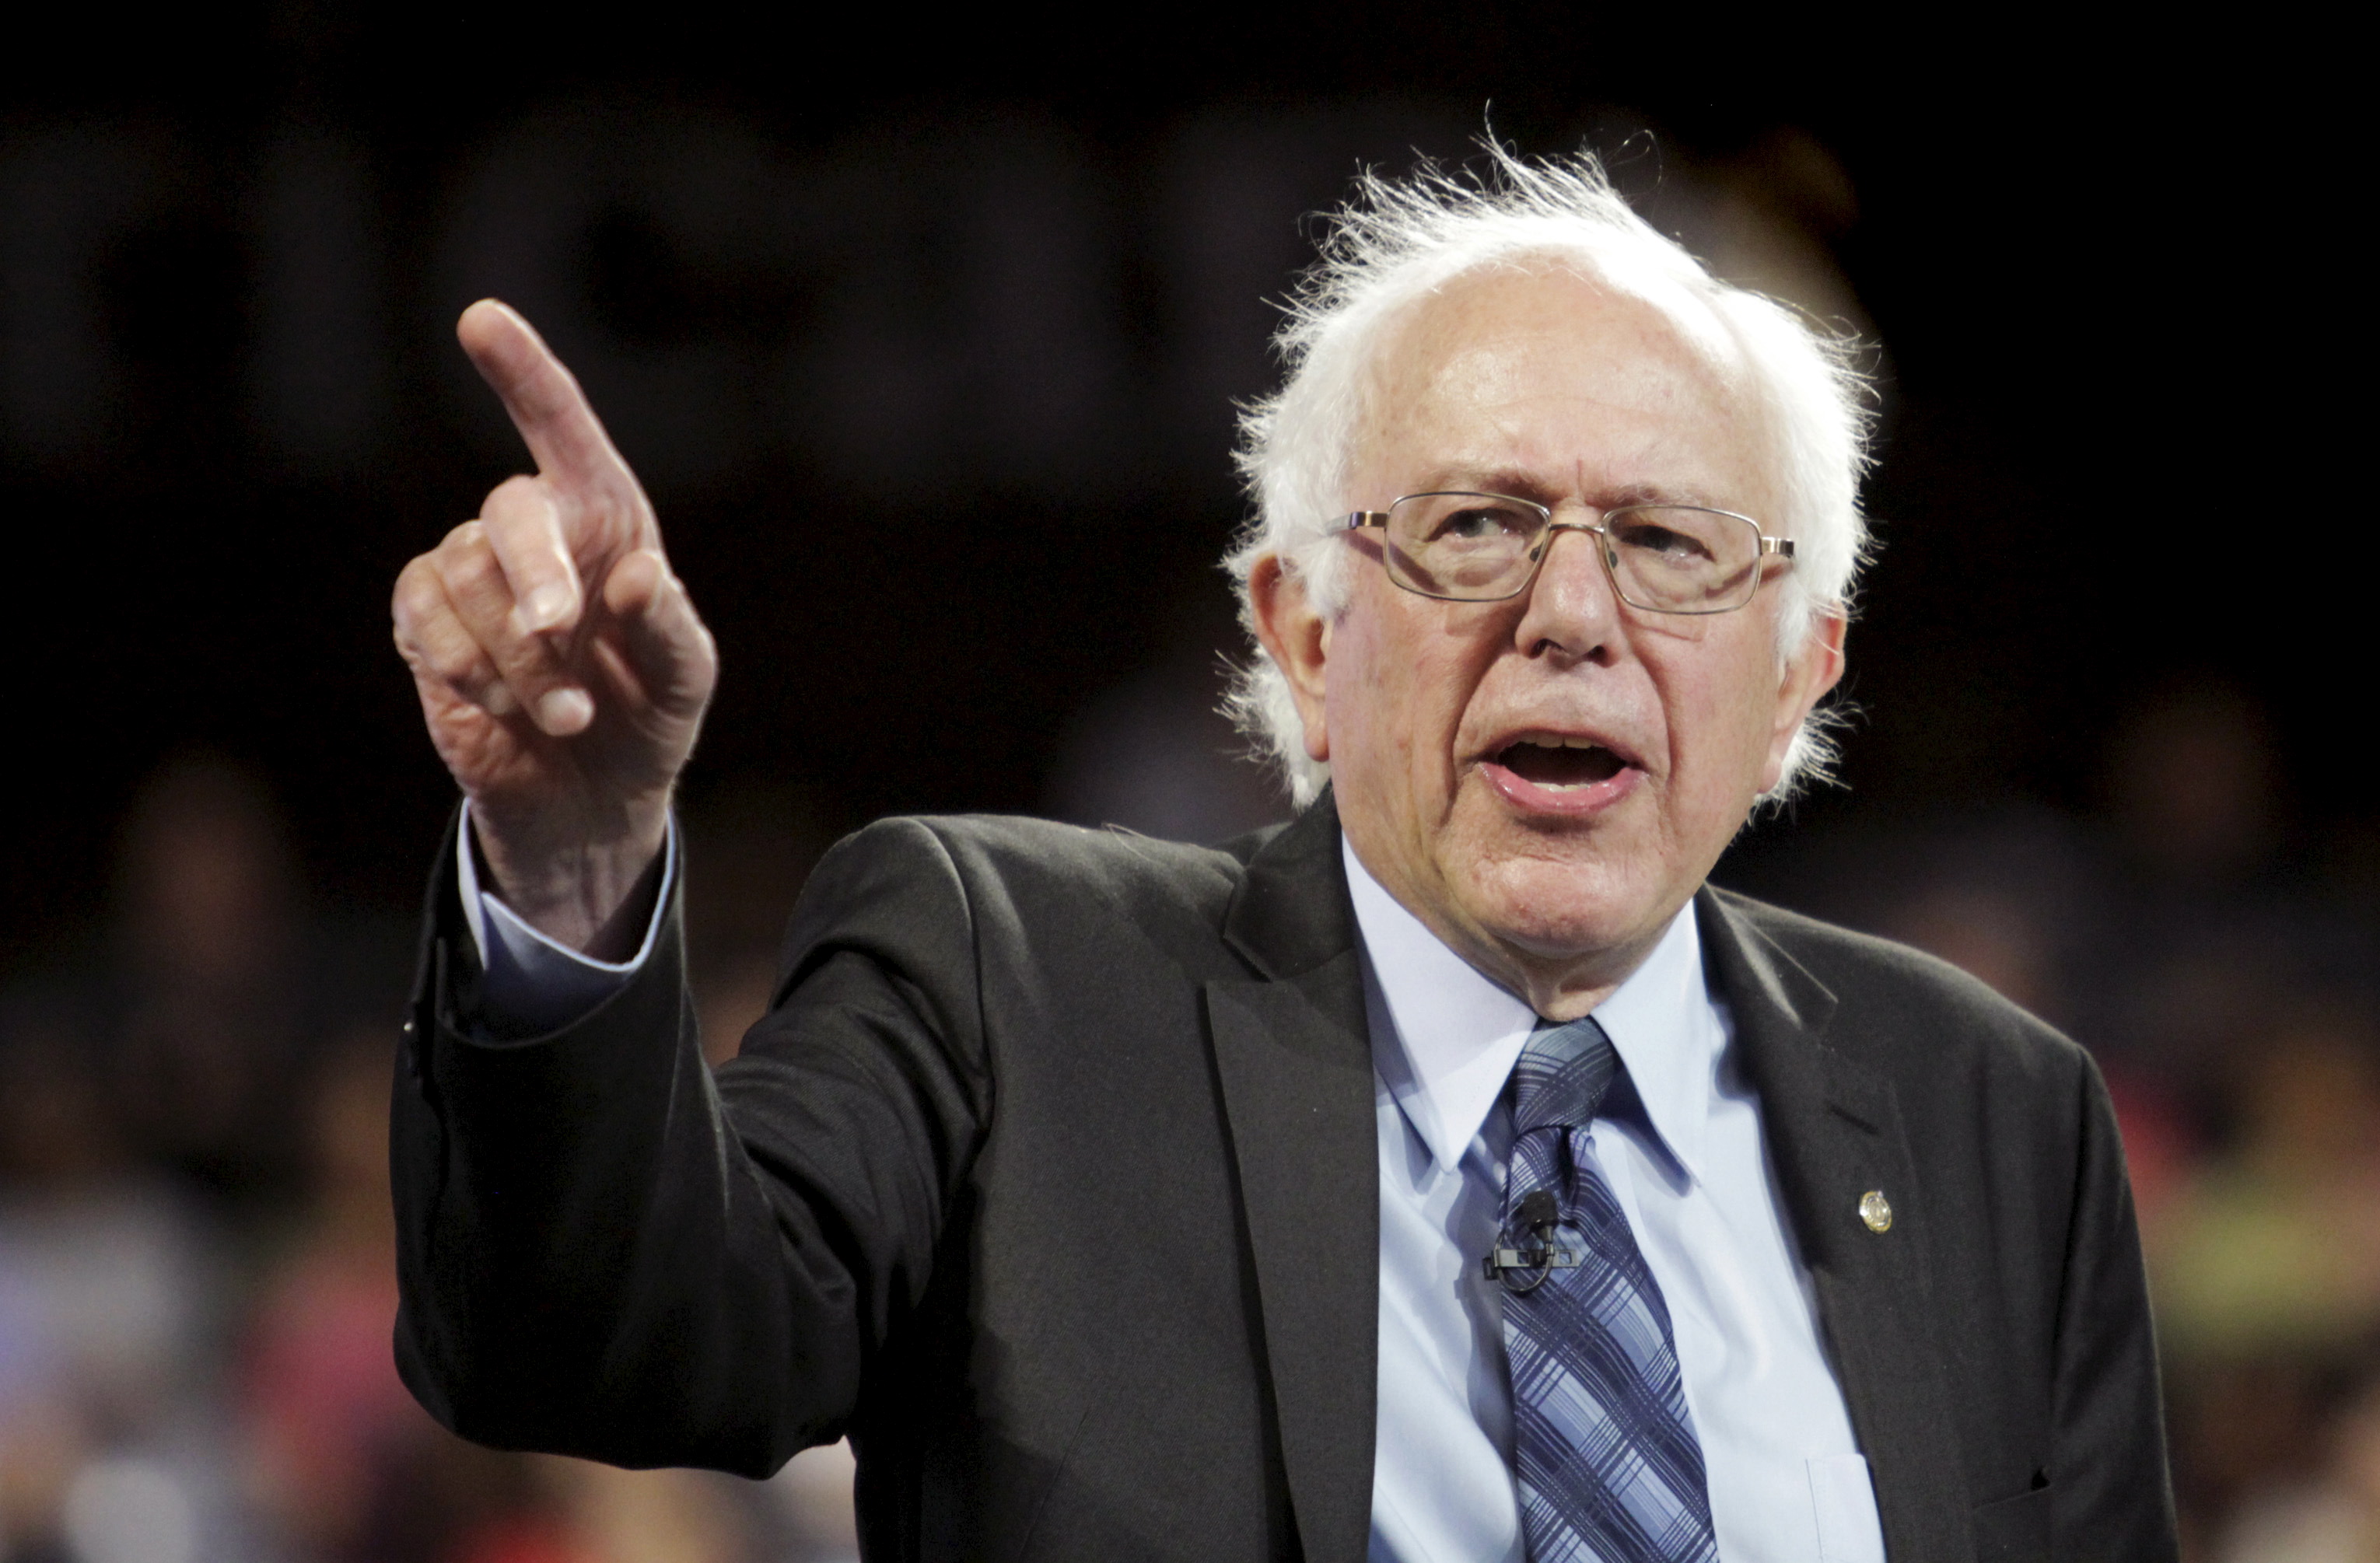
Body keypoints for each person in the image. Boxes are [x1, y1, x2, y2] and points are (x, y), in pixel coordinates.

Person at [387, 149, 2176, 1561]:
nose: (1572, 613)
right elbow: (595, 1345)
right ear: (1308, 641)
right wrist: (570, 864)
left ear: (1798, 674)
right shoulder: (1010, 986)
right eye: (1474, 526)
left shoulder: (1987, 1114)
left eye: (1669, 541)